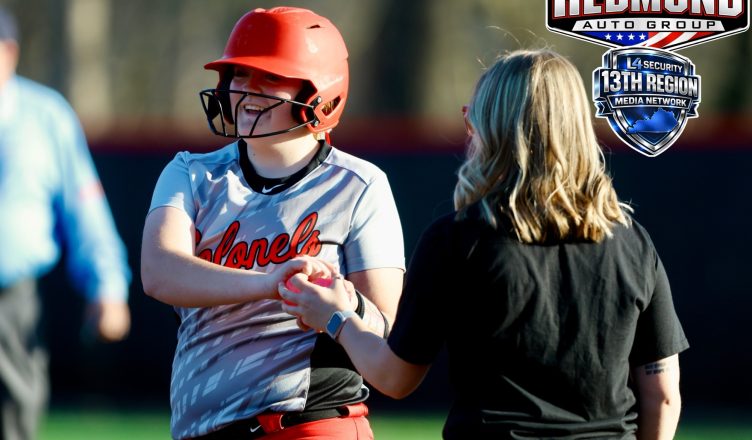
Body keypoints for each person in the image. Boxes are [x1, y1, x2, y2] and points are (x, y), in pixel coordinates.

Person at [280, 49, 689, 440]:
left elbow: (395, 377)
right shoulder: (634, 243)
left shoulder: (458, 240)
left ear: (492, 128)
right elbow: (663, 395)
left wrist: (335, 317)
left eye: (471, 117)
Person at [140, 6, 405, 440]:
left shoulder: (358, 184)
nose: (247, 88)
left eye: (269, 77)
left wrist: (341, 305)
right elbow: (159, 271)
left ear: (320, 94)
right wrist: (270, 283)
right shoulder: (191, 172)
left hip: (311, 423)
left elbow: (386, 340)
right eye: (239, 74)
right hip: (201, 428)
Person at [0, 6, 132, 440]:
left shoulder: (45, 115)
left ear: (9, 52)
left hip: (10, 307)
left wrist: (107, 285)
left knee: (13, 422)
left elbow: (84, 209)